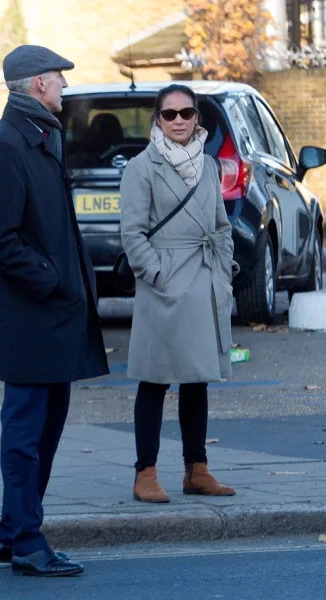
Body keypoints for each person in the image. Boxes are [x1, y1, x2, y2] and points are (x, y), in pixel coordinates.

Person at [0, 45, 109, 577]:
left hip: (53, 315)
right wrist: (52, 281)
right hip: (30, 316)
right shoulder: (9, 143)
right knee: (27, 433)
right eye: (58, 79)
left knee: (46, 427)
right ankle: (28, 541)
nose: (64, 88)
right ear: (37, 85)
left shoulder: (41, 135)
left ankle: (11, 532)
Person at [118, 84, 238, 504]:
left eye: (186, 112)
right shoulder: (142, 167)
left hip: (202, 277)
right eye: (169, 114)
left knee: (197, 377)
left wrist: (221, 270)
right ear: (157, 119)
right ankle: (145, 473)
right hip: (164, 282)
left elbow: (221, 224)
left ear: (197, 117)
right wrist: (155, 273)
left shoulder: (208, 164)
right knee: (155, 378)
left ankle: (196, 469)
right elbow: (131, 232)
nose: (179, 120)